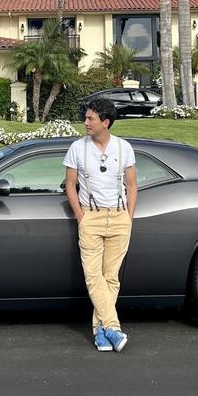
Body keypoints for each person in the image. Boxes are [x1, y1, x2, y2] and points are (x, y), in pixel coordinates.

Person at [63, 96, 137, 352]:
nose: (86, 122)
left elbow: (131, 185)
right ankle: (113, 328)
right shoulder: (77, 148)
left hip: (119, 217)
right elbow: (70, 186)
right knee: (93, 276)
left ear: (105, 122)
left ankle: (100, 332)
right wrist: (80, 216)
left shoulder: (123, 147)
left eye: (90, 118)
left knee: (111, 278)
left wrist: (128, 216)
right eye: (86, 118)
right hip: (90, 216)